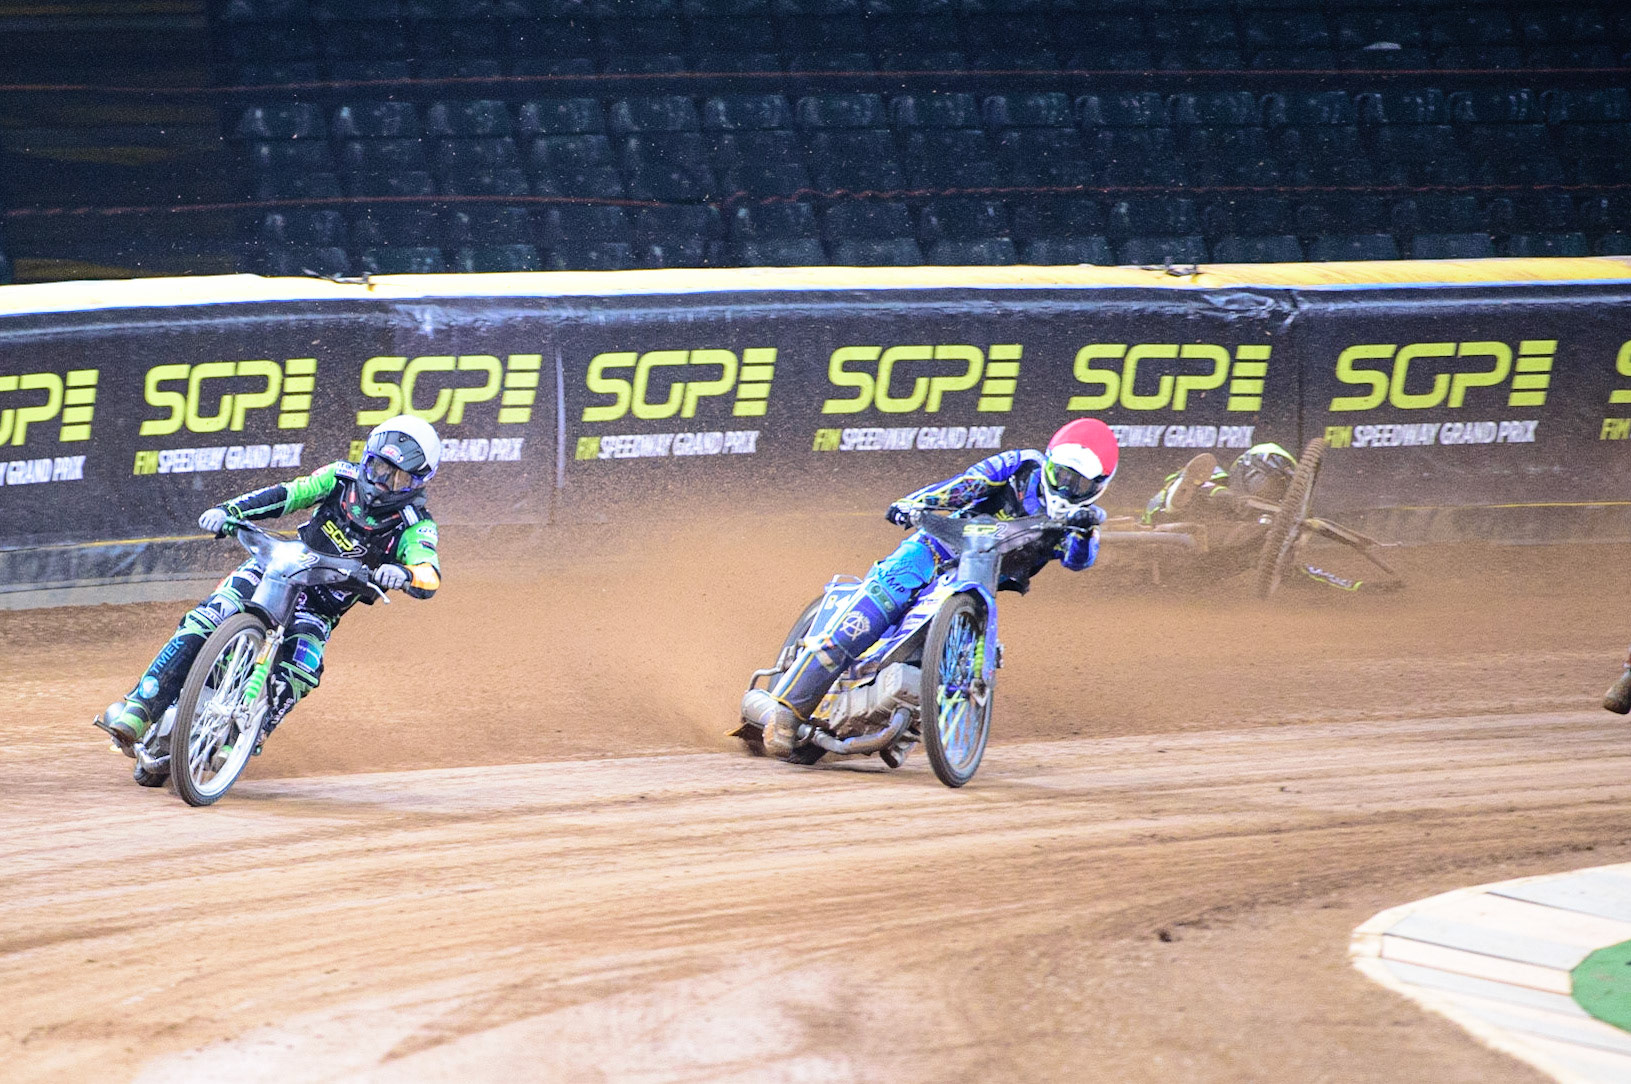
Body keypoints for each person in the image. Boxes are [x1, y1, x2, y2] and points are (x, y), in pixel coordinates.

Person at [745, 418, 1119, 759]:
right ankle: (786, 712)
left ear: (1097, 487)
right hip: (932, 549)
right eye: (1063, 475)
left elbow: (1078, 559)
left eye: (1079, 483)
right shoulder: (1022, 466)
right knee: (868, 615)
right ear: (1050, 463)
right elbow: (965, 486)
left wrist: (1084, 531)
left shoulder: (1082, 522)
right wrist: (917, 503)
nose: (1068, 487)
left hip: (978, 581)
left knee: (949, 649)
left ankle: (913, 721)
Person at [95, 415, 443, 766]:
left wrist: (405, 573)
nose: (382, 481)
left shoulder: (417, 525)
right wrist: (230, 510)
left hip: (319, 607)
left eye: (396, 477)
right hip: (274, 570)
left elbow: (429, 573)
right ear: (366, 457)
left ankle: (245, 736)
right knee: (208, 618)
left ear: (417, 482)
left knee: (300, 670)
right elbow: (288, 494)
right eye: (378, 467)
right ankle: (141, 705)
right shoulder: (340, 477)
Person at [1142, 442, 1298, 525]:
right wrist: (1234, 501)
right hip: (1155, 534)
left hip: (1197, 571)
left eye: (1279, 488)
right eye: (1272, 485)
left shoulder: (1267, 526)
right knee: (1204, 489)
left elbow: (1285, 572)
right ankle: (1173, 505)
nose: (1273, 492)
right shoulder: (1213, 478)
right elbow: (1211, 490)